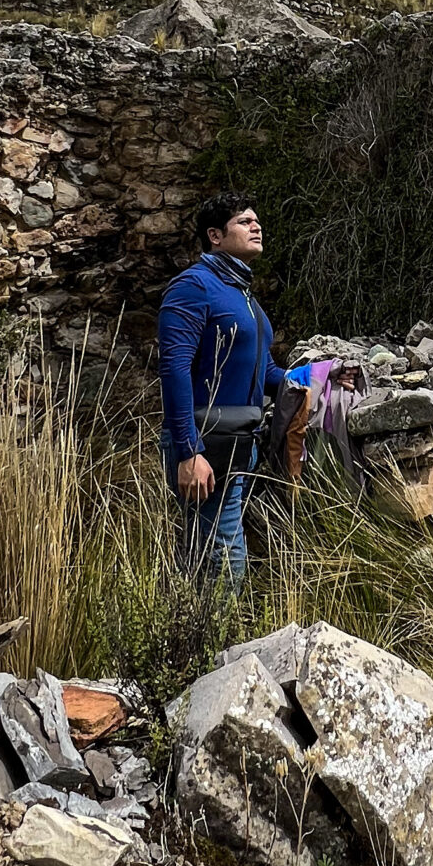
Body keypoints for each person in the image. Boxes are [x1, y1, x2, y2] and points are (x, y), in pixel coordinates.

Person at [157, 190, 292, 588]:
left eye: (256, 220)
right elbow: (174, 368)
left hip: (239, 443)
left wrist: (319, 377)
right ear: (215, 236)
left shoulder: (242, 293)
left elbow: (263, 371)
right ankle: (212, 645)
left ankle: (199, 639)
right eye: (244, 222)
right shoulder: (194, 287)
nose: (256, 225)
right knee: (222, 560)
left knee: (213, 553)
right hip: (205, 446)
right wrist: (188, 451)